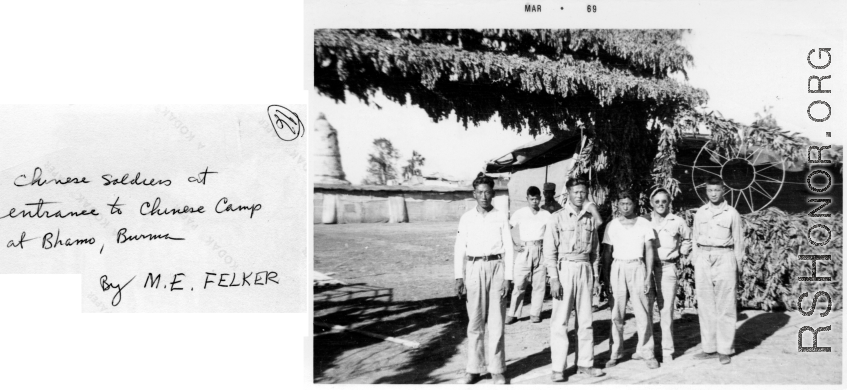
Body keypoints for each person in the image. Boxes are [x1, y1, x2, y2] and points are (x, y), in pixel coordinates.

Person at [454, 173, 515, 384]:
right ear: (474, 194)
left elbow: (509, 246)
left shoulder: (500, 216)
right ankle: (474, 368)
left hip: (497, 267)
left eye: (488, 192)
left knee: (497, 321)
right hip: (473, 268)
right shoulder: (466, 218)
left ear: (493, 194)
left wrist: (508, 277)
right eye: (480, 192)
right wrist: (458, 276)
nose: (484, 196)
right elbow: (459, 248)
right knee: (475, 321)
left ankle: (497, 368)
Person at [544, 176, 605, 382]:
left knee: (586, 320)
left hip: (585, 268)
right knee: (560, 321)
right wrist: (553, 278)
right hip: (565, 269)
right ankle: (558, 368)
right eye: (576, 192)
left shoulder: (589, 218)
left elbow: (595, 251)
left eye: (583, 192)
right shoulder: (557, 217)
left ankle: (585, 363)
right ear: (568, 193)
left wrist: (596, 277)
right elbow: (549, 251)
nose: (579, 195)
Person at [602, 191, 660, 369]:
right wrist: (606, 279)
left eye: (628, 203)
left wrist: (648, 275)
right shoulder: (612, 225)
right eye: (622, 204)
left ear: (634, 204)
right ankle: (616, 352)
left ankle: (646, 351)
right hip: (618, 268)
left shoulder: (644, 224)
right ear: (617, 205)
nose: (625, 207)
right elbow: (606, 254)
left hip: (638, 267)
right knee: (617, 314)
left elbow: (649, 249)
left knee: (643, 312)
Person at [691, 177, 743, 365]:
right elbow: (694, 238)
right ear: (706, 191)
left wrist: (737, 267)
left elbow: (738, 242)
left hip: (725, 257)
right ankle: (709, 348)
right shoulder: (701, 213)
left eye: (717, 190)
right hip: (704, 257)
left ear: (724, 191)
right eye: (710, 190)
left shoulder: (732, 214)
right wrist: (696, 261)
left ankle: (724, 349)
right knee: (705, 306)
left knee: (726, 306)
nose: (713, 194)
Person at [646, 187, 691, 361]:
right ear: (651, 203)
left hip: (667, 268)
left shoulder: (677, 221)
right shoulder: (645, 222)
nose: (661, 205)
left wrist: (682, 252)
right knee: (647, 309)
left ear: (669, 203)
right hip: (648, 270)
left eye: (664, 201)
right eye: (657, 201)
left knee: (666, 311)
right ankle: (648, 351)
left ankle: (667, 351)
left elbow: (688, 238)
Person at [506, 186, 551, 325]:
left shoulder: (546, 214)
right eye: (532, 199)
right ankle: (513, 313)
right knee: (519, 283)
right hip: (524, 250)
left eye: (537, 199)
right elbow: (506, 229)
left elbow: (551, 234)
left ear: (540, 198)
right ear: (527, 199)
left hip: (541, 250)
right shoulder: (520, 213)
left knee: (539, 284)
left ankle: (535, 313)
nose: (535, 202)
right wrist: (514, 245)